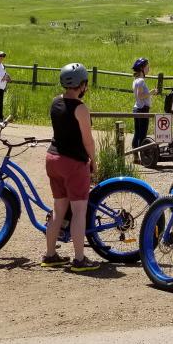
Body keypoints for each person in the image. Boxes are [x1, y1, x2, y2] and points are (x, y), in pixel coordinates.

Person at [41, 63, 99, 272]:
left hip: (53, 158)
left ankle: (50, 255)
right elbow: (88, 141)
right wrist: (93, 160)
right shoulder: (81, 108)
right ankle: (79, 259)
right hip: (73, 163)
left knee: (58, 210)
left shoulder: (55, 102)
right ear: (82, 85)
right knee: (79, 211)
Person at [131, 57, 154, 151]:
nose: (148, 69)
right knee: (142, 134)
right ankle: (142, 154)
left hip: (137, 108)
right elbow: (140, 95)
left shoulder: (135, 80)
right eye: (147, 67)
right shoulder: (141, 81)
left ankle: (135, 154)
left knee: (137, 133)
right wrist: (151, 92)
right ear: (142, 69)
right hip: (142, 108)